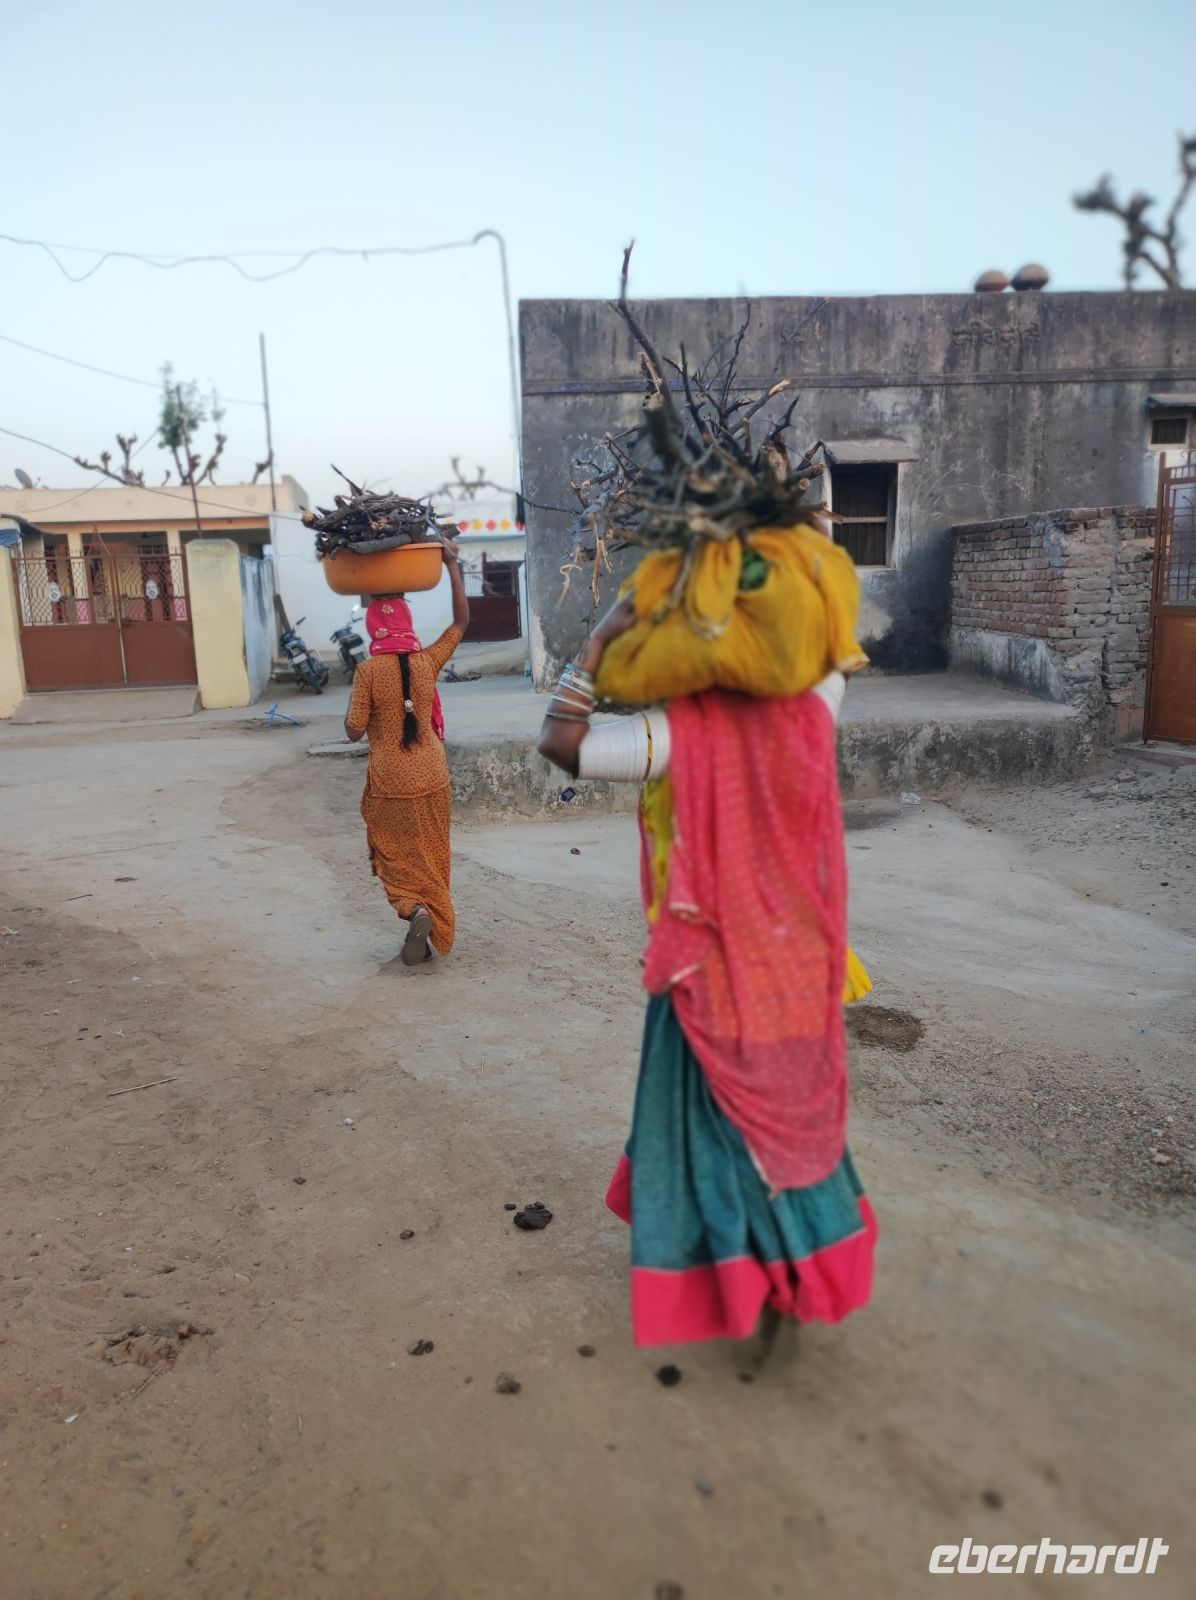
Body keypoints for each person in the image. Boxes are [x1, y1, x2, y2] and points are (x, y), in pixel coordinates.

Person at [537, 598, 877, 1350]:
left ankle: (740, 1273)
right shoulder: (815, 704)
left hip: (706, 974)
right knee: (784, 1122)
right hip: (793, 961)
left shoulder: (671, 736)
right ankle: (801, 1263)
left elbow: (563, 745)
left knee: (708, 1122)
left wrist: (595, 645)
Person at [345, 539, 469, 964]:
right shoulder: (427, 662)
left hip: (390, 779)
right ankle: (433, 917)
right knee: (432, 852)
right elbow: (461, 624)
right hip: (433, 773)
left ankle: (413, 909)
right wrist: (452, 567)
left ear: (373, 628)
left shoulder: (367, 670)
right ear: (408, 623)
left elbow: (353, 731)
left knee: (394, 854)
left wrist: (357, 712)